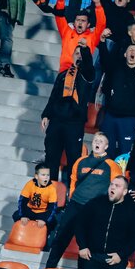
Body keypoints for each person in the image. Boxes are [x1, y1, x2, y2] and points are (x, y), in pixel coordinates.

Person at [46, 133, 123, 269]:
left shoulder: (112, 165)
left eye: (101, 141)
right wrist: (72, 197)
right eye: (95, 140)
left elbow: (116, 186)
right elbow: (73, 180)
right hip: (75, 204)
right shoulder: (80, 161)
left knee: (88, 243)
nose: (97, 143)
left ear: (106, 146)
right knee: (61, 236)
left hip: (94, 209)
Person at [74, 176, 135, 269]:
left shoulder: (131, 210)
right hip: (91, 257)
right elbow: (79, 223)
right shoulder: (95, 203)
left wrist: (121, 255)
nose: (112, 187)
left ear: (124, 192)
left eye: (117, 186)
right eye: (111, 184)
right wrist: (82, 246)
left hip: (115, 259)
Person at [42, 46, 95, 179]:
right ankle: (51, 187)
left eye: (81, 54)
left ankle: (72, 188)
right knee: (51, 156)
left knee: (73, 159)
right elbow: (53, 96)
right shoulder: (63, 75)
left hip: (74, 123)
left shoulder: (87, 75)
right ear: (72, 56)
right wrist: (46, 114)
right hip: (57, 121)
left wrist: (85, 49)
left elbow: (88, 64)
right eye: (76, 53)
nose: (79, 56)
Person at [13, 163, 58, 230]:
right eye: (43, 175)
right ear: (36, 176)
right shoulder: (30, 184)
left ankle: (45, 235)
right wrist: (23, 215)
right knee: (16, 215)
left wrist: (44, 219)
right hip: (30, 210)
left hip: (42, 212)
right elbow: (22, 201)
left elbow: (53, 207)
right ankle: (22, 232)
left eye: (48, 175)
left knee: (53, 221)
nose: (46, 177)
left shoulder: (52, 189)